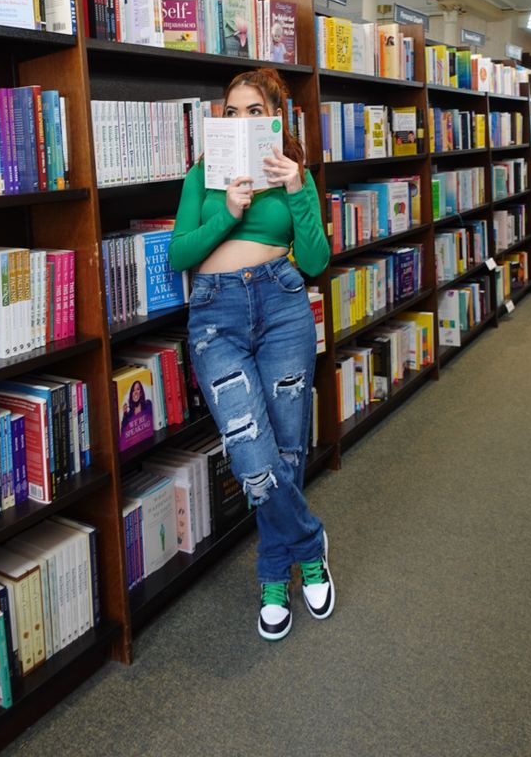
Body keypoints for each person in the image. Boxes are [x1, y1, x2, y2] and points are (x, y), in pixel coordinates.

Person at [168, 67, 333, 641]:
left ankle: (273, 573)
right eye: (231, 113)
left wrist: (295, 190)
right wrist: (228, 213)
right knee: (252, 455)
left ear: (275, 118)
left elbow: (315, 262)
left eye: (254, 112)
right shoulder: (201, 176)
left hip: (283, 302)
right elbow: (178, 254)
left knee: (286, 449)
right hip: (217, 315)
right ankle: (309, 542)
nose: (241, 122)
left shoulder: (295, 176)